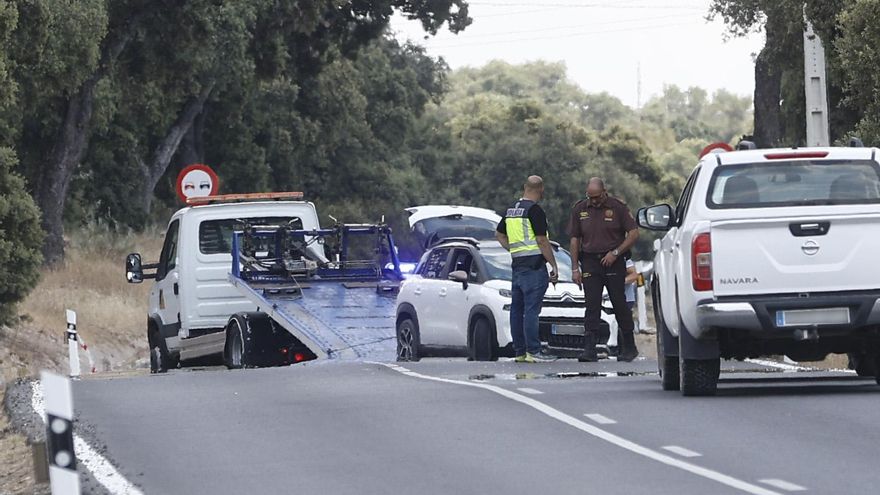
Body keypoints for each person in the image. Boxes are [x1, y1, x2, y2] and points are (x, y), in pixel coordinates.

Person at [568, 178, 640, 362]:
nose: (593, 201)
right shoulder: (580, 209)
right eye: (590, 197)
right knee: (591, 305)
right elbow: (575, 239)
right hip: (590, 261)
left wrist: (616, 253)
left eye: (597, 197)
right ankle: (589, 349)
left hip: (613, 261)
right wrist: (575, 267)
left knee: (619, 303)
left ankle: (629, 347)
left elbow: (633, 233)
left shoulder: (618, 207)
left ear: (604, 192)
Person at [496, 175, 560, 363]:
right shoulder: (535, 210)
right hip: (534, 266)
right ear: (540, 189)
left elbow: (499, 235)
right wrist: (553, 265)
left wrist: (514, 250)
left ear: (525, 187)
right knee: (532, 310)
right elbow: (542, 240)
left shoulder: (511, 210)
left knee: (517, 310)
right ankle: (534, 351)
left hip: (517, 266)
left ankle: (520, 352)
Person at [606, 257, 639, 358]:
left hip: (626, 297)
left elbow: (634, 275)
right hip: (607, 297)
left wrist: (619, 282)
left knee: (622, 322)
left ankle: (625, 349)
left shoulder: (623, 259)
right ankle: (618, 349)